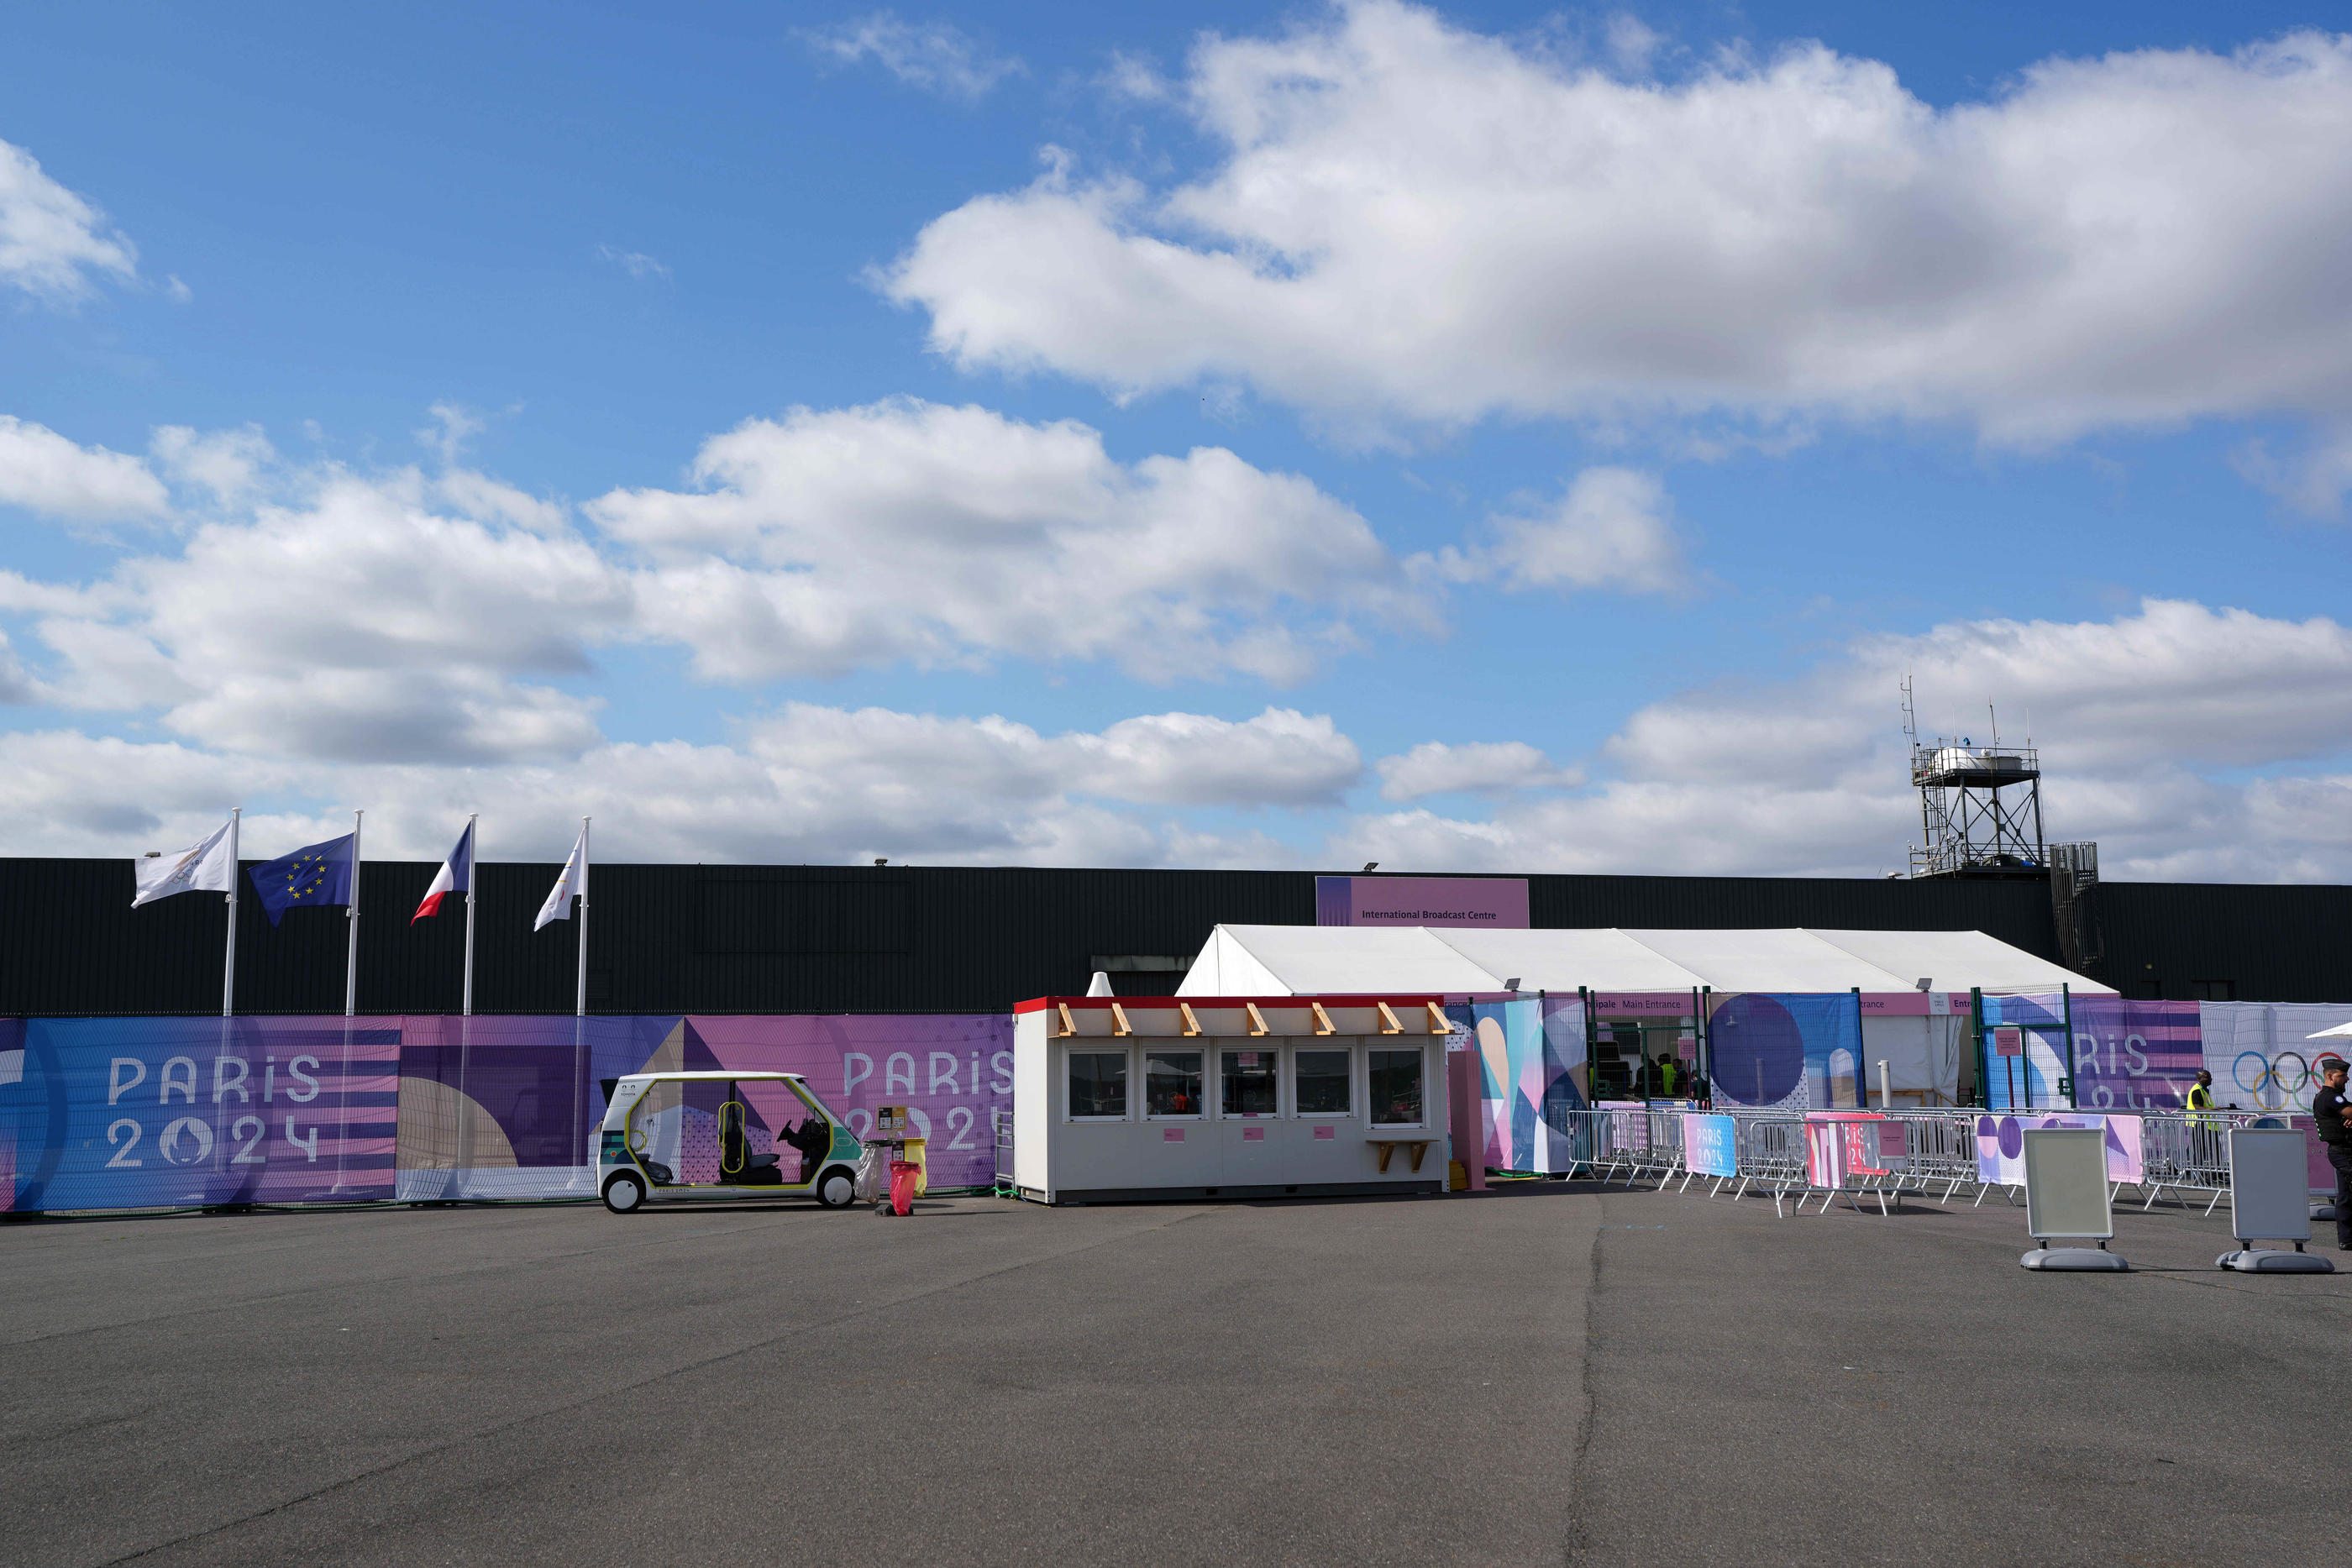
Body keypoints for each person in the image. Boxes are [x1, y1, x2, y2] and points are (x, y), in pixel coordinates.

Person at [2314, 1057, 2351, 1252]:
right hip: (2343, 1151)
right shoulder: (2331, 1097)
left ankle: (2347, 1240)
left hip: (2343, 1151)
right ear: (2330, 1076)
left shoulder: (2336, 1098)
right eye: (2342, 1075)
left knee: (2346, 1197)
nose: (2346, 1079)